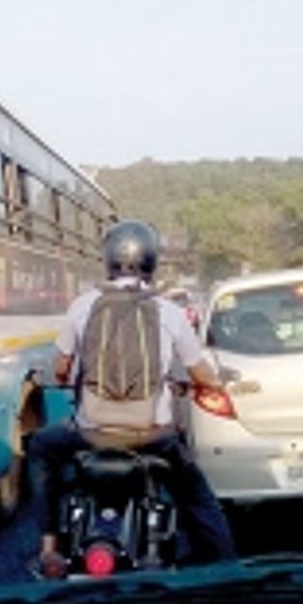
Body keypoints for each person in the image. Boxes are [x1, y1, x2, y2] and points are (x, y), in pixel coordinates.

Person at [27, 219, 237, 578]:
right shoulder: (168, 311)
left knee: (41, 449)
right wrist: (214, 384)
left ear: (107, 260)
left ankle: (49, 548)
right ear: (152, 262)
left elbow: (61, 369)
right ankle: (222, 571)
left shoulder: (84, 306)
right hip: (153, 436)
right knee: (196, 494)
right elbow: (199, 371)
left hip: (91, 433)